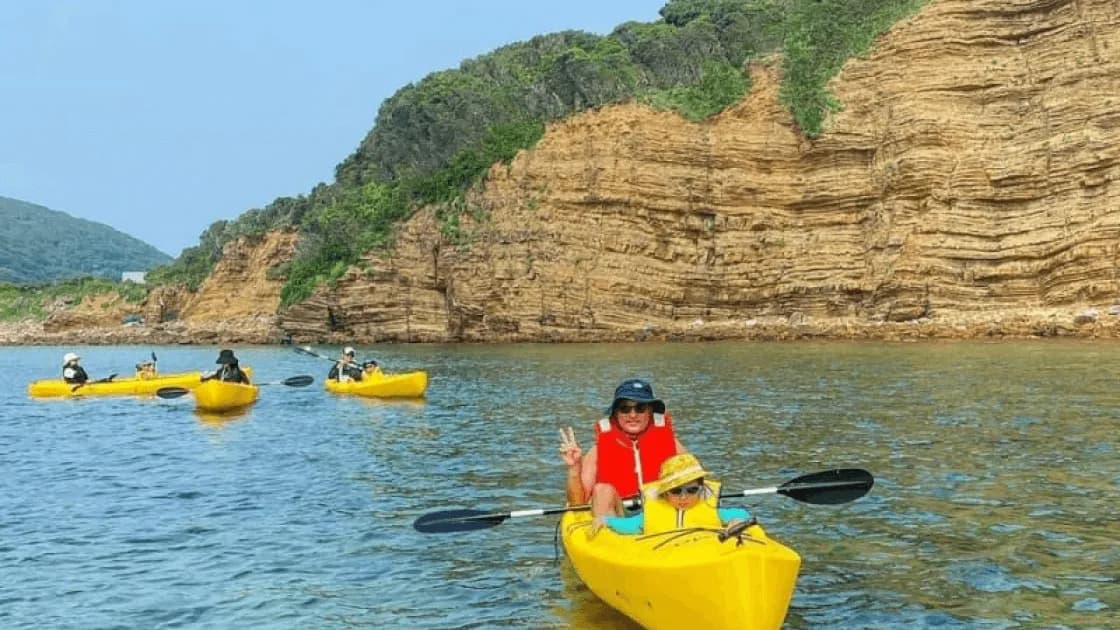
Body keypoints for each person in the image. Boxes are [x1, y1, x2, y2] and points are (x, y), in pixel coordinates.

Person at [559, 378, 687, 517]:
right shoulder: (597, 451)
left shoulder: (672, 443)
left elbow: (697, 487)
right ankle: (606, 533)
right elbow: (577, 505)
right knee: (602, 491)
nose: (632, 415)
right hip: (618, 519)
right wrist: (574, 468)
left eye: (640, 408)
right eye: (625, 409)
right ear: (616, 413)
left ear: (650, 411)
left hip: (663, 514)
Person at [594, 453, 750, 536]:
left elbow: (740, 513)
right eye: (676, 491)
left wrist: (737, 521)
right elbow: (627, 526)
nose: (684, 497)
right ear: (665, 494)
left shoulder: (712, 510)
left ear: (701, 488)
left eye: (691, 490)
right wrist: (606, 521)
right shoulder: (649, 517)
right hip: (668, 560)